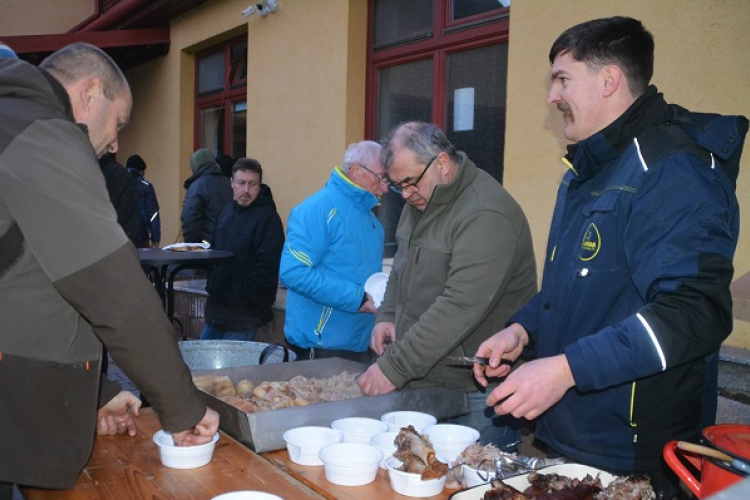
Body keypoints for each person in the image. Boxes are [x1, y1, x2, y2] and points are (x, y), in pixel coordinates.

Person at [472, 17, 744, 499]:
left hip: (638, 455)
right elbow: (580, 286)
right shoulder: (588, 170)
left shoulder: (673, 168)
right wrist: (524, 330)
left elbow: (695, 311)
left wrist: (566, 369)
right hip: (572, 434)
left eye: (562, 79)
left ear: (609, 79)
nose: (552, 97)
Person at [0, 42, 219, 496]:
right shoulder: (43, 131)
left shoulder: (13, 119)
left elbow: (24, 282)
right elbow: (114, 294)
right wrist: (183, 408)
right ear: (90, 92)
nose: (116, 142)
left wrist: (94, 394)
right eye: (118, 121)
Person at [356, 122, 538, 448]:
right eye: (397, 186)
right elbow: (402, 264)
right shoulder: (422, 199)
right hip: (425, 377)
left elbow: (459, 304)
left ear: (441, 163)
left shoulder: (485, 212)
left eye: (410, 182)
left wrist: (394, 367)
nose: (406, 195)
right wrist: (387, 314)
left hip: (476, 390)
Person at [280, 140, 388, 363]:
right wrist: (357, 299)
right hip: (319, 347)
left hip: (360, 345)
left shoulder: (373, 223)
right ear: (356, 171)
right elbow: (293, 272)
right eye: (382, 178)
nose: (385, 188)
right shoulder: (316, 210)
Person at [201, 158, 285, 341]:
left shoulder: (269, 220)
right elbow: (213, 255)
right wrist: (212, 286)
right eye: (241, 183)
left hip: (244, 317)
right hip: (216, 312)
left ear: (259, 186)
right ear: (232, 183)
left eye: (252, 184)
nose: (246, 190)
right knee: (200, 365)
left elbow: (267, 268)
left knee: (230, 369)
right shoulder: (225, 213)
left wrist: (245, 300)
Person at [181, 148, 232, 244]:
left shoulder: (196, 186)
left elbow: (190, 220)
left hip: (206, 246)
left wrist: (192, 247)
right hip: (229, 243)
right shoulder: (230, 184)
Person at [99, 152, 144, 246]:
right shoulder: (145, 185)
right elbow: (152, 211)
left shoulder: (112, 173)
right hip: (134, 235)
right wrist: (155, 236)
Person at [126, 154, 161, 248]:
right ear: (141, 171)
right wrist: (155, 238)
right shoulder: (146, 187)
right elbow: (153, 215)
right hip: (141, 235)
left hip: (121, 235)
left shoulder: (118, 183)